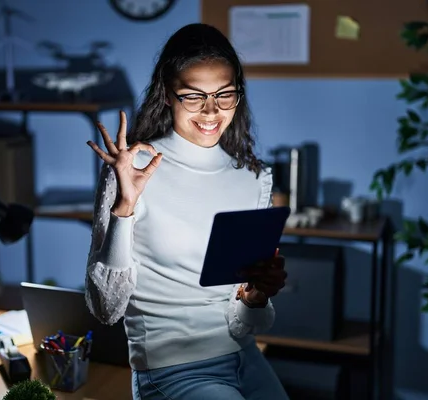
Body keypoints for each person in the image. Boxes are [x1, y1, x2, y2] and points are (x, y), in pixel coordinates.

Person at [84, 23, 289, 400]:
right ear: (167, 94)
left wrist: (256, 294)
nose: (211, 111)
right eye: (194, 96)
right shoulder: (134, 167)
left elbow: (242, 323)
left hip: (243, 358)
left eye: (224, 94)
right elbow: (106, 308)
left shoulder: (251, 178)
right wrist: (124, 207)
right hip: (170, 371)